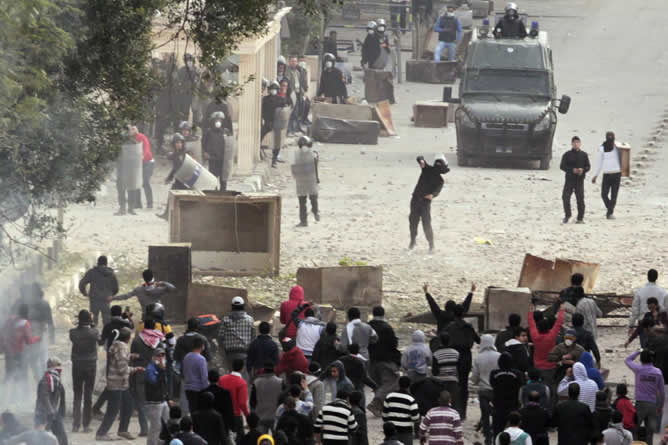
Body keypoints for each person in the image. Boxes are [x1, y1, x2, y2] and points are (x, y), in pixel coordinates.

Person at [96, 327, 143, 441]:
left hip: (120, 384)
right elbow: (122, 369)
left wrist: (131, 356)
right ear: (128, 338)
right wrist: (135, 369)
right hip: (117, 383)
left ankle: (123, 430)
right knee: (113, 410)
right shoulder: (122, 347)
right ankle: (101, 433)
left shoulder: (117, 345)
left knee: (129, 405)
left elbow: (120, 359)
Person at [409, 155, 450, 252]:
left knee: (426, 224)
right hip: (415, 200)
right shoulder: (427, 169)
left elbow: (437, 191)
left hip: (425, 203)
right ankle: (413, 241)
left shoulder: (440, 180)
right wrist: (421, 160)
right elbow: (419, 157)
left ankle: (431, 245)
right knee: (413, 222)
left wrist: (432, 195)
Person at [625, 349, 665, 445]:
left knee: (635, 428)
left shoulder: (638, 369)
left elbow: (627, 360)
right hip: (653, 405)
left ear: (642, 359)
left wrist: (638, 351)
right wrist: (660, 406)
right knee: (650, 432)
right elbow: (662, 392)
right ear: (652, 359)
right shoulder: (658, 372)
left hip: (640, 404)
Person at [447, 304, 480, 419]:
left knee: (453, 384)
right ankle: (463, 413)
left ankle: (454, 411)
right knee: (464, 385)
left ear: (453, 314)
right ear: (463, 314)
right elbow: (478, 340)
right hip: (466, 357)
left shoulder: (450, 327)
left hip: (453, 358)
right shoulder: (469, 327)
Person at [69, 309, 99, 433]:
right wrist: (92, 325)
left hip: (77, 365)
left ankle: (76, 425)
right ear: (90, 320)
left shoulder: (72, 332)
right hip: (90, 365)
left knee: (77, 394)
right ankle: (86, 425)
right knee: (88, 395)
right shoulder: (94, 332)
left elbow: (78, 333)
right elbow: (99, 339)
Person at [18, 283, 54, 384]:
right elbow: (50, 322)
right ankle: (45, 381)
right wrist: (52, 337)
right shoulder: (44, 303)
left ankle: (40, 381)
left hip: (30, 334)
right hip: (40, 333)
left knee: (33, 360)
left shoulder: (25, 303)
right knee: (42, 359)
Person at [471, 334, 500, 445]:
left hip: (483, 391)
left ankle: (488, 438)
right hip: (496, 391)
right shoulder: (499, 355)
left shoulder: (478, 358)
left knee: (485, 415)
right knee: (497, 414)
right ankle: (496, 435)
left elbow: (474, 378)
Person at [218, 297, 255, 377]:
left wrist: (222, 352)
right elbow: (253, 338)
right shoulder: (250, 320)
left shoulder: (225, 320)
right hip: (244, 354)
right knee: (243, 377)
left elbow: (220, 337)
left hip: (230, 354)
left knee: (231, 375)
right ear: (243, 306)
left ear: (232, 306)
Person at [157, 133, 191, 219]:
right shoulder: (176, 154)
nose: (179, 144)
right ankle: (167, 214)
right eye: (176, 143)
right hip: (178, 180)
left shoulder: (186, 154)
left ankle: (184, 216)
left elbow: (188, 167)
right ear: (174, 144)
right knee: (171, 195)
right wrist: (169, 178)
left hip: (186, 180)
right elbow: (175, 168)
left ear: (183, 143)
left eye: (180, 142)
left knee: (186, 199)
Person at [78, 255, 119, 326]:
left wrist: (84, 293)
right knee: (107, 321)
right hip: (106, 299)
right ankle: (106, 335)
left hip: (94, 299)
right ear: (106, 263)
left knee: (93, 320)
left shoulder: (91, 272)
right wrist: (111, 295)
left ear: (98, 262)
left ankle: (93, 335)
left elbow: (82, 283)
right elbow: (116, 288)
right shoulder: (111, 273)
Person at [35, 358, 66, 445]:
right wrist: (51, 411)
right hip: (43, 415)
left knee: (61, 436)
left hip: (53, 414)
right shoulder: (46, 380)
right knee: (41, 439)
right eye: (58, 365)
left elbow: (61, 398)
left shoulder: (56, 380)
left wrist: (60, 412)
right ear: (52, 367)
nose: (60, 368)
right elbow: (44, 397)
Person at [591, 131, 623, 219]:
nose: (610, 138)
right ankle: (610, 208)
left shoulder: (618, 147)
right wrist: (595, 175)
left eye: (611, 136)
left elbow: (625, 156)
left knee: (614, 195)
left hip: (617, 173)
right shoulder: (602, 148)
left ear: (614, 137)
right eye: (608, 136)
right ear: (605, 137)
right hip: (606, 174)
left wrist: (625, 171)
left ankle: (609, 213)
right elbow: (599, 162)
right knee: (603, 194)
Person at [490, 352, 523, 435]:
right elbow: (520, 384)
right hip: (513, 406)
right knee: (513, 432)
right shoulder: (517, 373)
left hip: (498, 405)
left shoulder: (494, 373)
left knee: (497, 431)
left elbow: (492, 384)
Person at [560, 136, 591, 224]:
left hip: (579, 180)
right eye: (574, 142)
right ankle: (567, 215)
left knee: (580, 199)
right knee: (565, 197)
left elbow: (588, 166)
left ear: (580, 144)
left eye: (577, 142)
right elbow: (562, 166)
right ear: (572, 144)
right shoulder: (567, 154)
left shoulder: (584, 155)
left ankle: (580, 218)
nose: (576, 144)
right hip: (569, 179)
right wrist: (571, 170)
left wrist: (583, 170)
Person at [218, 359, 249, 442]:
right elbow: (242, 403)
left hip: (223, 414)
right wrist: (247, 416)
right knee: (240, 440)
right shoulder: (242, 383)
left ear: (232, 367)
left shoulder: (222, 379)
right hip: (235, 416)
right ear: (242, 368)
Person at [382, 376, 420, 445]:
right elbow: (416, 418)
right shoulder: (411, 399)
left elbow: (384, 416)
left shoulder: (389, 396)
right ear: (409, 386)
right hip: (405, 431)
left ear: (398, 384)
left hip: (391, 432)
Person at [630, 269, 668, 336]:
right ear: (657, 277)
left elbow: (635, 310)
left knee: (645, 345)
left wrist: (631, 325)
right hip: (659, 324)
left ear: (647, 277)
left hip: (643, 323)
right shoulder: (663, 292)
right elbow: (666, 310)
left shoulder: (640, 292)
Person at [292, 136, 320, 227]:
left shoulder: (295, 154)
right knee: (313, 198)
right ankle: (315, 211)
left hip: (300, 180)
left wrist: (296, 177)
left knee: (302, 202)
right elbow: (315, 168)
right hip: (311, 179)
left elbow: (293, 170)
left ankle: (303, 221)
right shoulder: (314, 154)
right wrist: (317, 179)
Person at [144, 348, 170, 445]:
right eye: (158, 355)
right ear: (153, 357)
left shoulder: (161, 368)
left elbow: (164, 384)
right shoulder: (150, 369)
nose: (161, 358)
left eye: (163, 355)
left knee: (166, 423)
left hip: (162, 400)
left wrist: (168, 398)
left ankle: (158, 442)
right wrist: (162, 370)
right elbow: (154, 383)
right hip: (153, 402)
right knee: (156, 426)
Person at [431, 333, 460, 415]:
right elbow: (459, 368)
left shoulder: (436, 354)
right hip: (453, 381)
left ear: (440, 342)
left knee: (441, 403)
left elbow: (435, 371)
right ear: (450, 342)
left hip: (441, 382)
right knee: (454, 404)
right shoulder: (456, 353)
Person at [250, 362, 283, 433]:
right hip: (275, 416)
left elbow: (252, 402)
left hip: (260, 416)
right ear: (274, 369)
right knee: (277, 440)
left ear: (264, 370)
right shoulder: (280, 382)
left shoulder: (256, 382)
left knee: (261, 440)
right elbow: (283, 399)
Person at [127, 125, 154, 209]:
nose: (131, 131)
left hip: (148, 162)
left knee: (145, 182)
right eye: (129, 130)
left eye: (133, 129)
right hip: (138, 163)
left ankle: (150, 203)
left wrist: (142, 156)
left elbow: (146, 149)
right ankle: (138, 204)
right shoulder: (129, 140)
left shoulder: (141, 137)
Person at [202, 111, 228, 190]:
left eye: (219, 120)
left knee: (223, 180)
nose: (218, 122)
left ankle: (223, 195)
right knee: (213, 179)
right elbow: (203, 144)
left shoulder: (225, 132)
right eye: (216, 120)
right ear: (213, 121)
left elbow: (230, 145)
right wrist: (204, 153)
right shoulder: (208, 132)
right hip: (212, 159)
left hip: (223, 160)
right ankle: (214, 195)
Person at [204, 370, 234, 437]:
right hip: (223, 425)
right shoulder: (225, 393)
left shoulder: (203, 392)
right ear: (218, 378)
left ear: (208, 378)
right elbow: (229, 410)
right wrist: (232, 426)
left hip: (207, 426)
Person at [183, 337, 208, 413]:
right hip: (198, 389)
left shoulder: (186, 357)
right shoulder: (201, 359)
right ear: (202, 346)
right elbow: (204, 376)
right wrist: (207, 389)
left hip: (188, 388)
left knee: (192, 410)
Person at [285, 56, 307, 136]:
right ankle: (290, 130)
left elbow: (301, 83)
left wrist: (302, 92)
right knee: (292, 112)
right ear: (289, 62)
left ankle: (296, 128)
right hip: (291, 94)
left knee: (298, 112)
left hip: (298, 94)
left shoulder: (298, 72)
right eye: (292, 61)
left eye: (295, 61)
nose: (294, 63)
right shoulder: (287, 71)